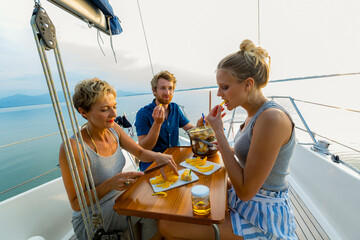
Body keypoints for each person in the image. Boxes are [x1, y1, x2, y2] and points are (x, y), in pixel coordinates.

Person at [158, 39, 297, 239]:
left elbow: (246, 191)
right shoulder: (254, 114)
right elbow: (249, 158)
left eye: (224, 87)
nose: (219, 93)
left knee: (167, 226)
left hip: (261, 215)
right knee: (181, 200)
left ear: (248, 84)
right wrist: (213, 135)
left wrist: (220, 133)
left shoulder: (271, 119)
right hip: (248, 203)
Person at [59, 78, 178, 240]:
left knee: (161, 201)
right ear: (83, 112)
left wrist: (159, 156)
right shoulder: (73, 148)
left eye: (114, 107)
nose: (114, 114)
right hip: (92, 216)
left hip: (120, 199)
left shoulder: (113, 129)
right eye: (105, 110)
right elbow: (76, 203)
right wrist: (110, 184)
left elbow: (141, 153)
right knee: (155, 210)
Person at [135, 70, 201, 171]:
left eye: (170, 88)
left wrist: (201, 127)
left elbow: (190, 128)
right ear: (154, 90)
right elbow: (144, 148)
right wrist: (157, 123)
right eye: (162, 88)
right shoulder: (143, 113)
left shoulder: (175, 108)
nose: (167, 93)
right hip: (152, 163)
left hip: (175, 158)